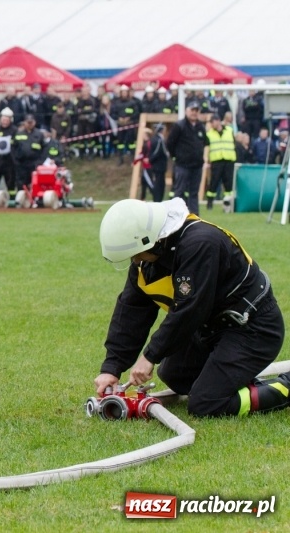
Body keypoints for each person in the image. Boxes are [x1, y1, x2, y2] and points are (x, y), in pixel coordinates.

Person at [95, 198, 287, 417]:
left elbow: (190, 310)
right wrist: (111, 368)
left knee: (205, 404)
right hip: (210, 329)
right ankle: (236, 381)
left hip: (252, 328)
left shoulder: (200, 243)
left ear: (152, 240)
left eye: (136, 254)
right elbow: (130, 313)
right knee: (175, 375)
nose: (136, 260)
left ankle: (286, 387)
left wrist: (149, 356)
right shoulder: (147, 259)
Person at [166, 100, 209, 215]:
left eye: (196, 110)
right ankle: (176, 215)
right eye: (192, 110)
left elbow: (205, 142)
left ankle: (194, 216)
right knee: (179, 191)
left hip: (197, 165)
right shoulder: (179, 126)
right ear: (186, 111)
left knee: (194, 193)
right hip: (183, 165)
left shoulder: (200, 126)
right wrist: (177, 156)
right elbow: (170, 143)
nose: (194, 113)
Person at [205, 114, 236, 211]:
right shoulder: (209, 134)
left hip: (228, 160)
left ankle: (227, 204)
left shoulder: (229, 130)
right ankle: (210, 202)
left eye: (213, 122)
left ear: (218, 121)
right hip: (216, 160)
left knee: (228, 183)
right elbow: (207, 147)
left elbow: (234, 143)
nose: (212, 124)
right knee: (214, 182)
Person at [12, 114, 44, 193]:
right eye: (28, 122)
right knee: (21, 184)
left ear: (34, 122)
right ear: (24, 123)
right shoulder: (18, 134)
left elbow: (44, 150)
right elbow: (13, 148)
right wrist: (15, 161)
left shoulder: (39, 134)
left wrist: (40, 162)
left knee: (34, 184)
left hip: (34, 164)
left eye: (31, 122)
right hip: (21, 164)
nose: (29, 124)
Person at [0, 107, 17, 192]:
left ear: (10, 120)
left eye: (6, 120)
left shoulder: (14, 131)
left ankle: (11, 198)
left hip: (9, 161)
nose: (4, 122)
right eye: (3, 120)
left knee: (10, 182)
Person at [146, 124, 169, 202]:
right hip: (159, 166)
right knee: (159, 184)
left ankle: (158, 198)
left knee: (160, 183)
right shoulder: (159, 140)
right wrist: (150, 159)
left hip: (158, 166)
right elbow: (158, 152)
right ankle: (157, 199)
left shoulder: (155, 139)